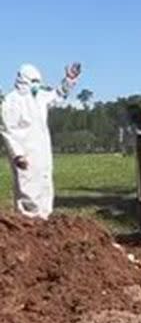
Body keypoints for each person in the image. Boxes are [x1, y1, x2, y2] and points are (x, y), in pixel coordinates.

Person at [1, 63, 81, 219]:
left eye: (39, 81)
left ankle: (45, 223)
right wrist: (17, 155)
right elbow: (8, 130)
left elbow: (57, 95)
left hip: (42, 152)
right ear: (24, 80)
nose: (37, 84)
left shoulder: (39, 97)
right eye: (34, 81)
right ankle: (28, 225)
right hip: (25, 153)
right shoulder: (11, 101)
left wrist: (69, 80)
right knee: (28, 188)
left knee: (44, 185)